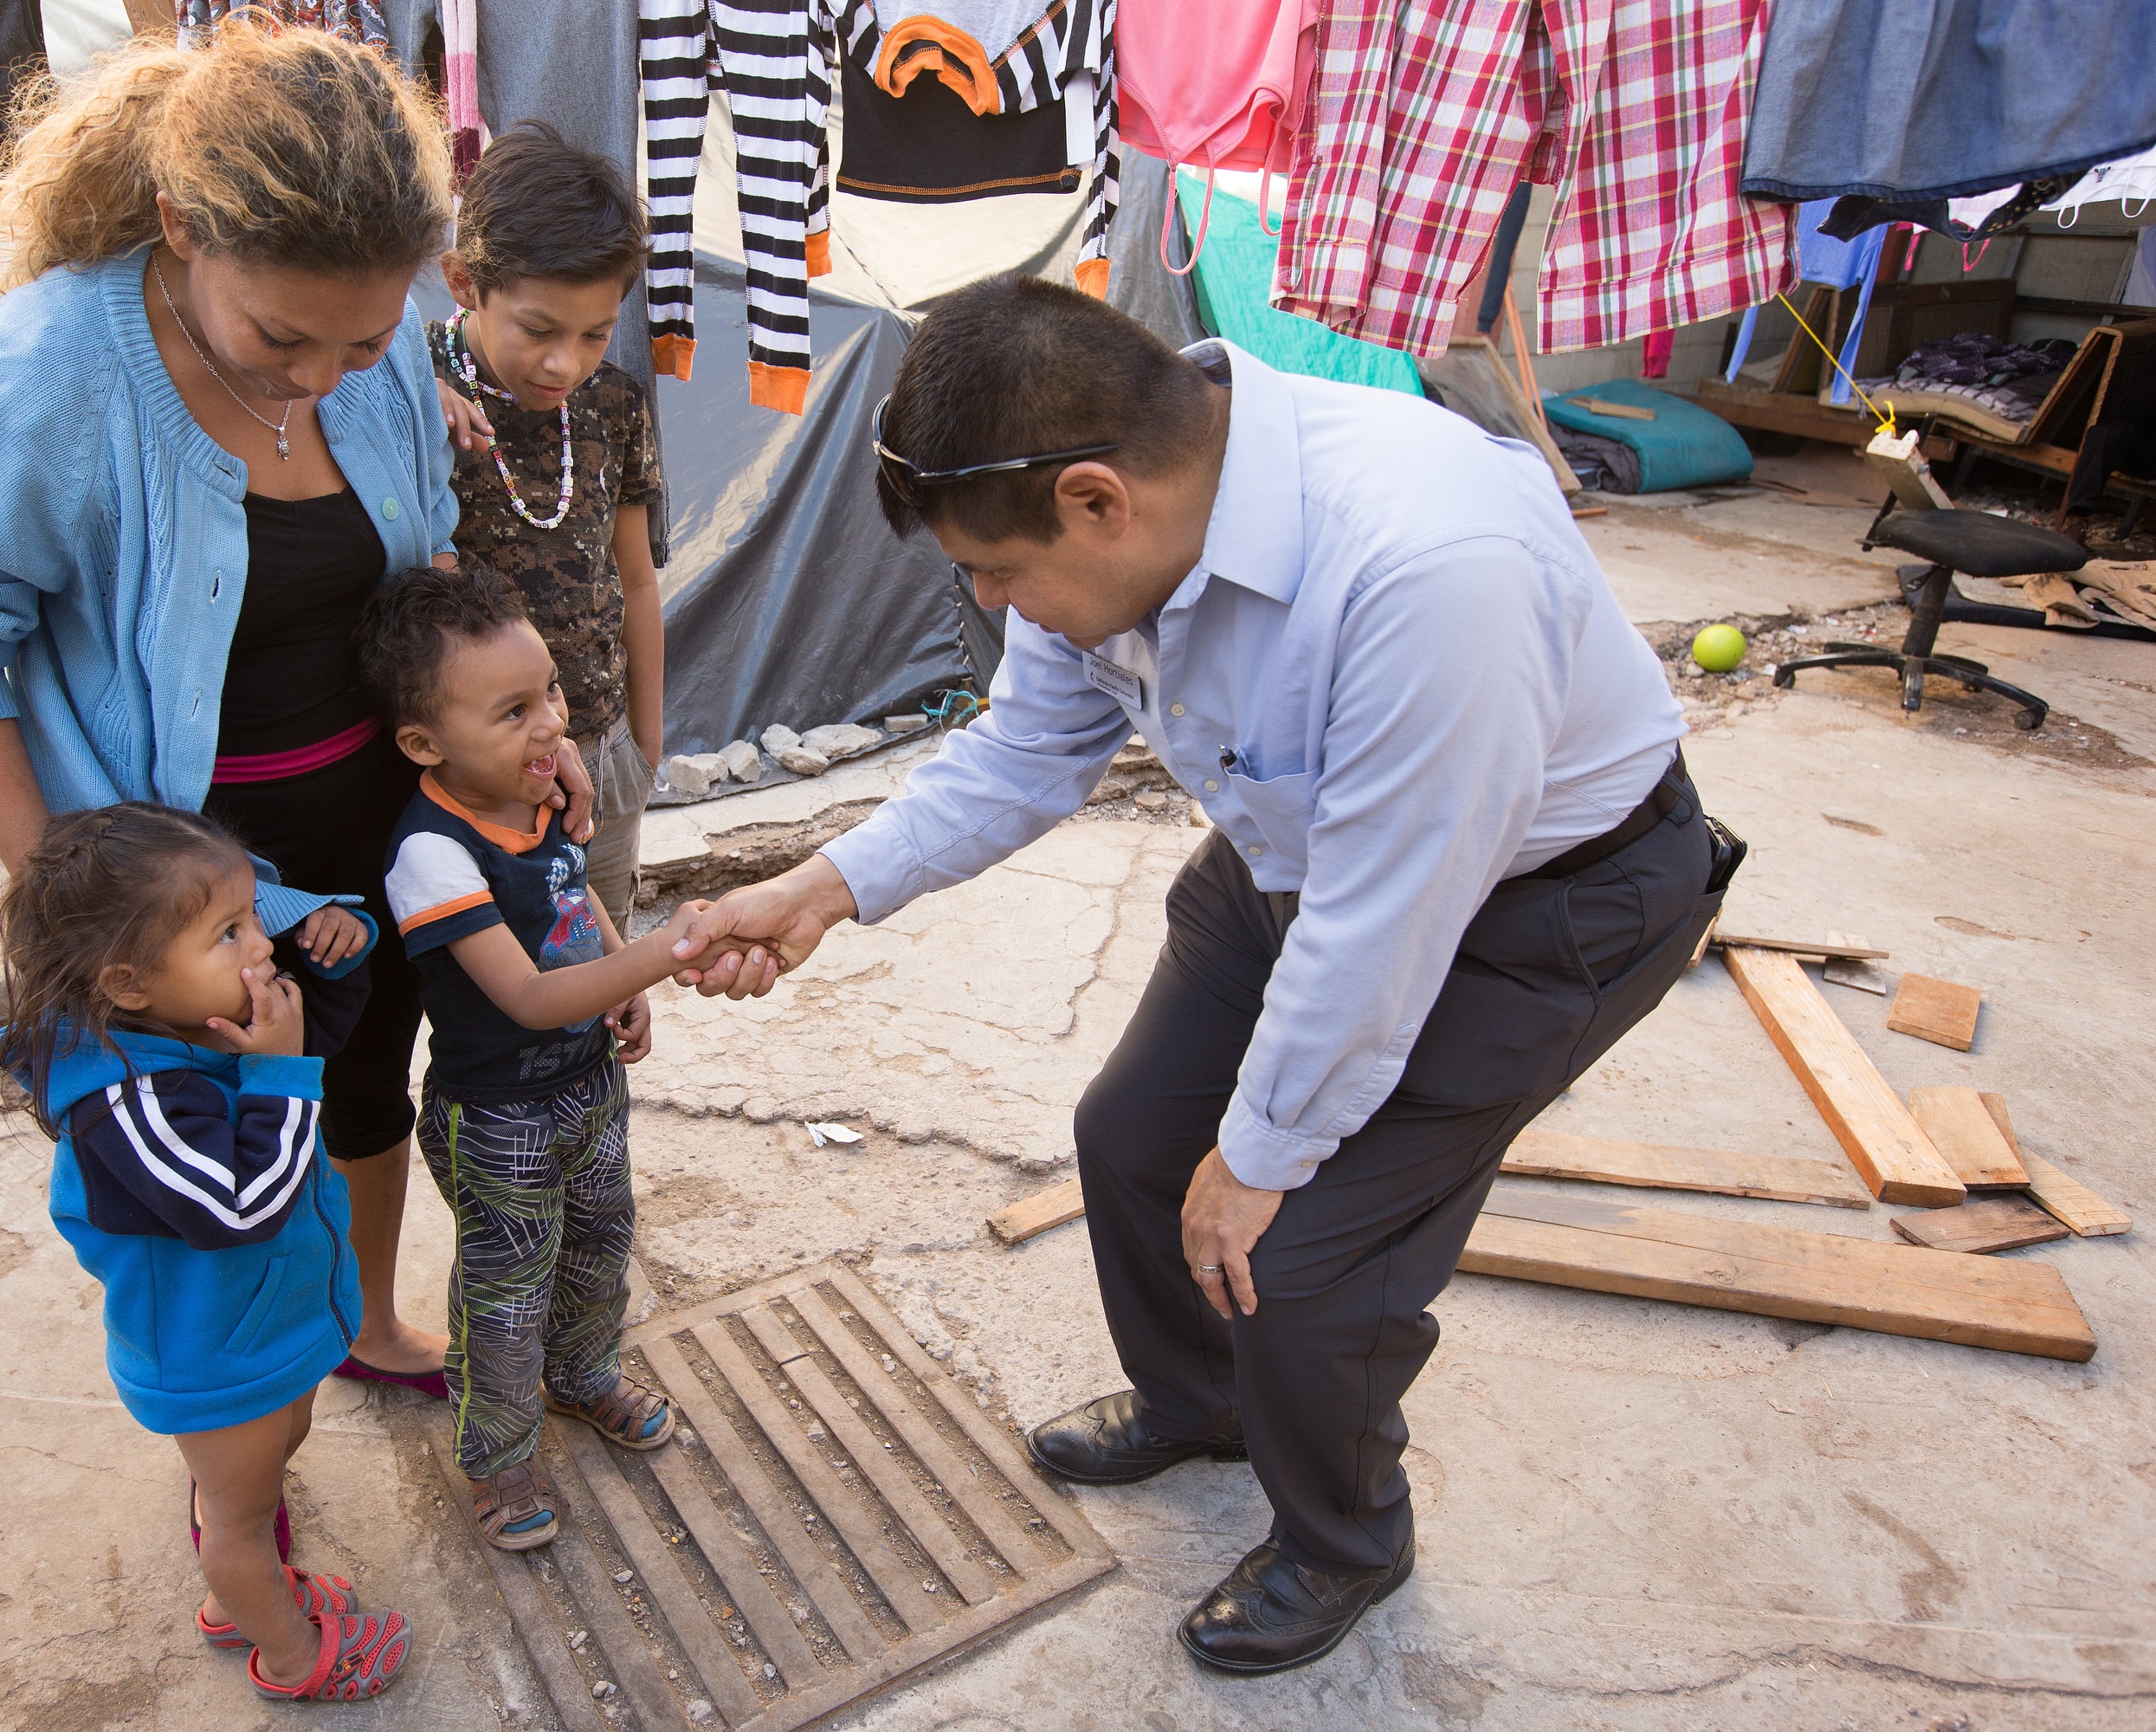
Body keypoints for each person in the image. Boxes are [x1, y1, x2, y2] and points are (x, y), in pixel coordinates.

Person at [672, 275, 1740, 1675]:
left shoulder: (1427, 570)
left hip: (1542, 910)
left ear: (1100, 500)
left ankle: (1347, 1538)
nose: (991, 604)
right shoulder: (1111, 539)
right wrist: (823, 889)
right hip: (1297, 849)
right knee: (1131, 1139)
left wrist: (1266, 1153)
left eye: (997, 573)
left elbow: (1386, 922)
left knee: (1300, 1260)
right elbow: (1020, 754)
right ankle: (1203, 1405)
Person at [0, 24, 591, 1401]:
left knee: (363, 1088)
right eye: (280, 337)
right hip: (182, 899)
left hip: (375, 849)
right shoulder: (51, 376)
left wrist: (523, 751)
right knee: (215, 1166)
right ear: (182, 224)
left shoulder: (376, 369)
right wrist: (79, 906)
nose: (323, 379)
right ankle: (241, 1443)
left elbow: (423, 579)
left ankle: (364, 1325)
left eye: (367, 340)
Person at [0, 802, 410, 1703]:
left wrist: (334, 960)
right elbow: (241, 1204)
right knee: (238, 1517)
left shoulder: (193, 1023)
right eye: (229, 932)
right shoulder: (123, 1101)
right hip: (215, 1352)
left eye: (255, 914)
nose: (263, 945)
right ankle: (290, 1651)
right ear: (129, 981)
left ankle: (251, 1597)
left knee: (275, 1455)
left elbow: (307, 1049)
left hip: (264, 1326)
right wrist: (282, 1070)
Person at [358, 565, 736, 1551]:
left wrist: (624, 973)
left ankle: (582, 1372)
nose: (550, 726)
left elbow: (575, 895)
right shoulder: (431, 855)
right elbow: (523, 995)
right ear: (423, 743)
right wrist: (664, 948)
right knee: (505, 1289)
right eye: (513, 709)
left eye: (553, 694)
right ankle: (499, 1455)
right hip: (498, 1118)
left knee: (603, 1237)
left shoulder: (541, 800)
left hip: (589, 1088)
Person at [431, 120, 666, 935]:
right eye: (538, 330)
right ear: (465, 282)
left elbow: (635, 576)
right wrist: (408, 388)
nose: (566, 363)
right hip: (473, 774)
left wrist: (646, 739)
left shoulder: (617, 405)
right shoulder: (411, 390)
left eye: (594, 334)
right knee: (496, 999)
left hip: (602, 748)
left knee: (601, 974)